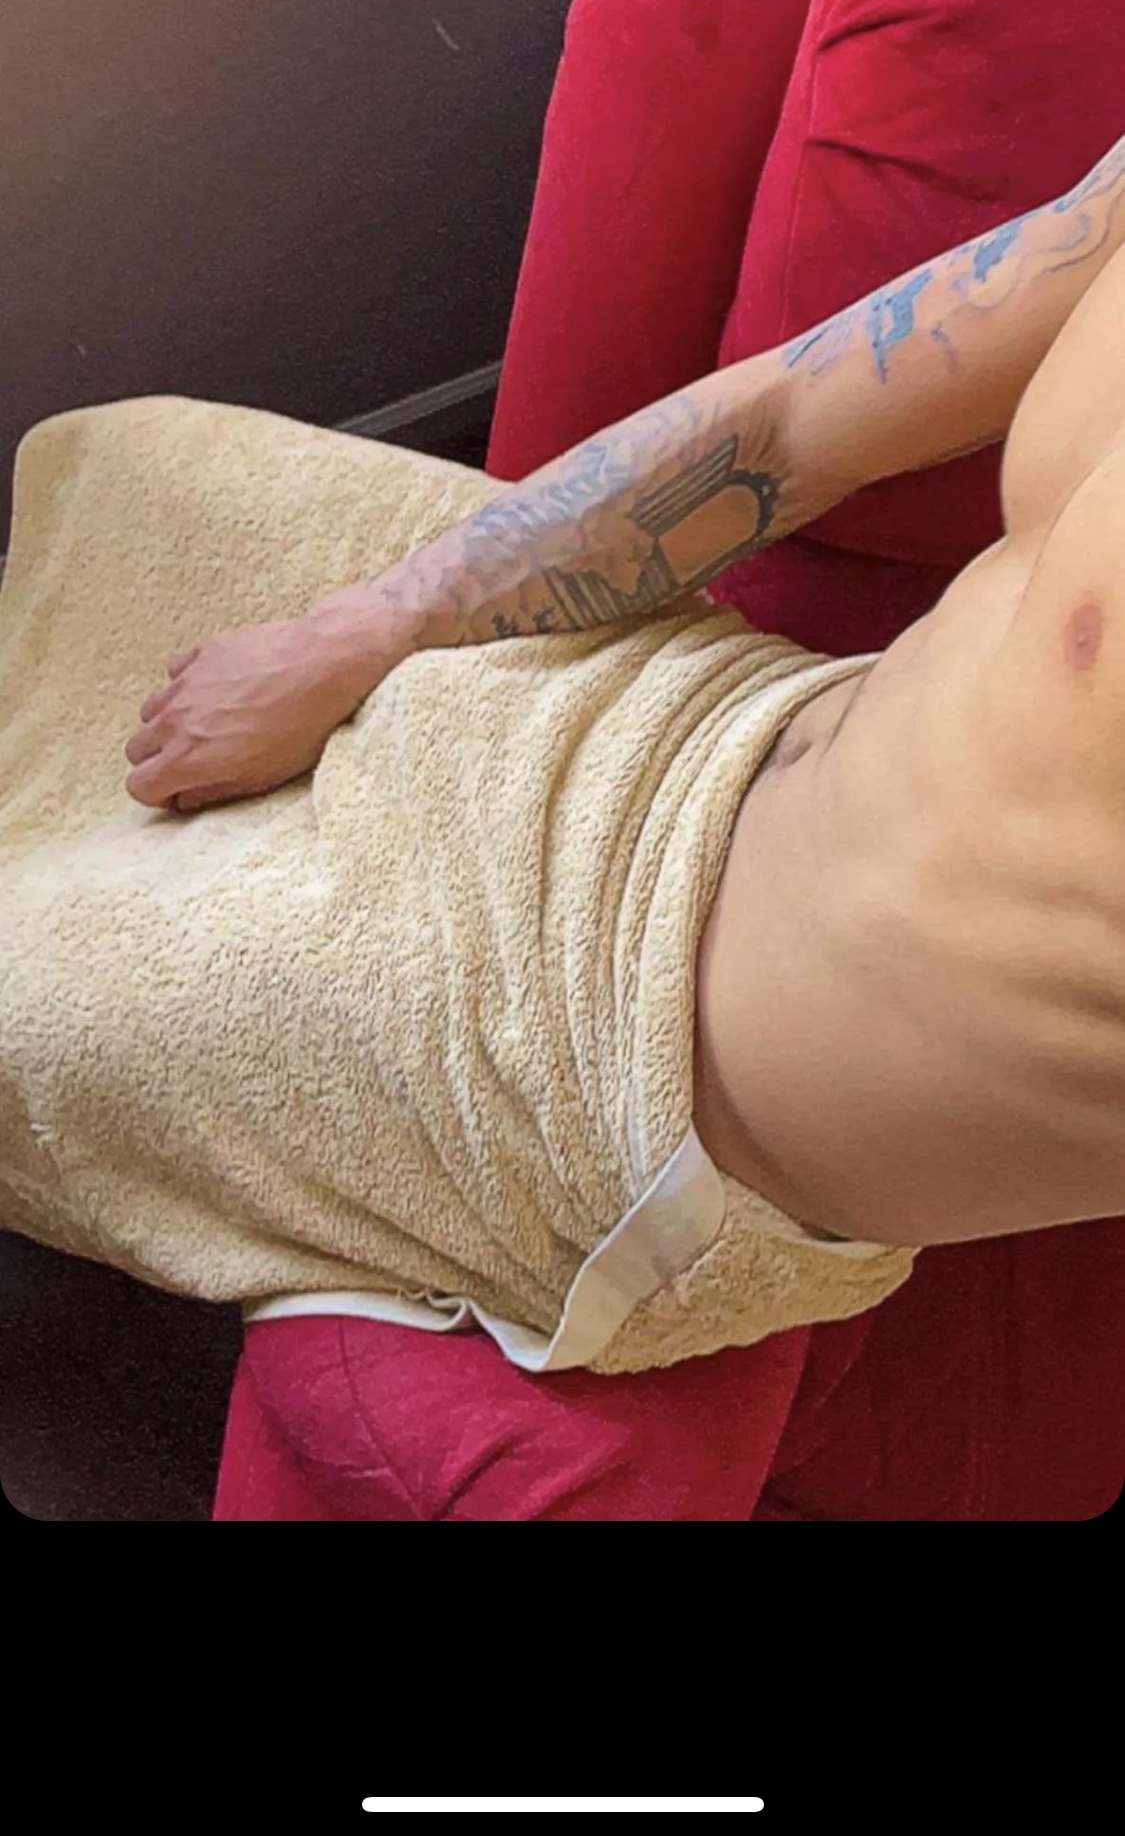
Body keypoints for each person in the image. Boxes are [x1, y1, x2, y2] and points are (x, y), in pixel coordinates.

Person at [123, 124, 1125, 1254]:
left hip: (626, 1087)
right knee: (122, 472)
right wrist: (357, 632)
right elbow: (792, 421)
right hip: (700, 737)